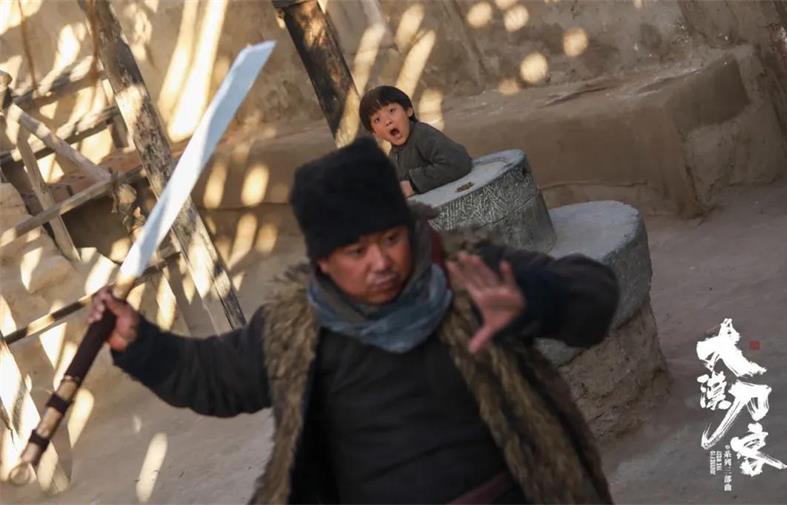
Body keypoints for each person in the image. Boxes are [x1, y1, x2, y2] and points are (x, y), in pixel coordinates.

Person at [89, 138, 619, 504]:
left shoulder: (467, 275)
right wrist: (140, 342)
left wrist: (535, 300)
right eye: (356, 251)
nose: (381, 263)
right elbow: (214, 377)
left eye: (391, 239)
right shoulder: (295, 325)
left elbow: (594, 290)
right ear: (323, 261)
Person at [359, 85, 472, 197]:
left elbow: (458, 161)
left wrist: (413, 184)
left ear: (408, 111)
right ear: (375, 133)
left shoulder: (423, 135)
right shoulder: (393, 157)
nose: (387, 121)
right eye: (377, 119)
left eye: (391, 110)